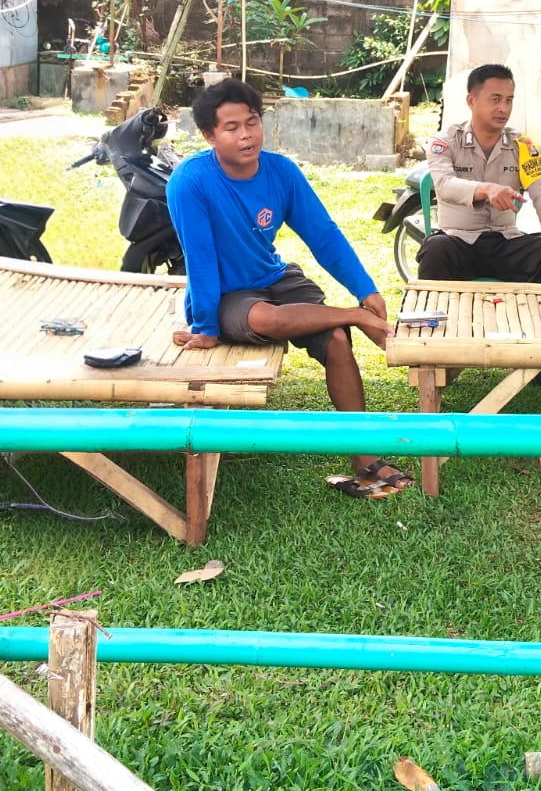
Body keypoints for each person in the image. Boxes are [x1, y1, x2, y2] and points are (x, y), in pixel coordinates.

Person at [168, 79, 411, 499]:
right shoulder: (190, 182)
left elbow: (324, 236)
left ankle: (366, 459)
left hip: (275, 277)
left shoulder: (281, 172)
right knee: (268, 318)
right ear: (209, 136)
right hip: (227, 295)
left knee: (337, 341)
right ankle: (354, 318)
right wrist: (205, 326)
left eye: (252, 122)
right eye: (231, 128)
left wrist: (365, 289)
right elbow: (200, 258)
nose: (246, 135)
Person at [418, 64, 541, 284]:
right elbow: (444, 185)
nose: (504, 108)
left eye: (509, 100)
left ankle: (536, 308)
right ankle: (436, 308)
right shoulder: (445, 141)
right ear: (471, 101)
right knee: (435, 249)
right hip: (458, 239)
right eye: (495, 99)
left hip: (505, 242)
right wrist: (487, 189)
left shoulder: (522, 145)